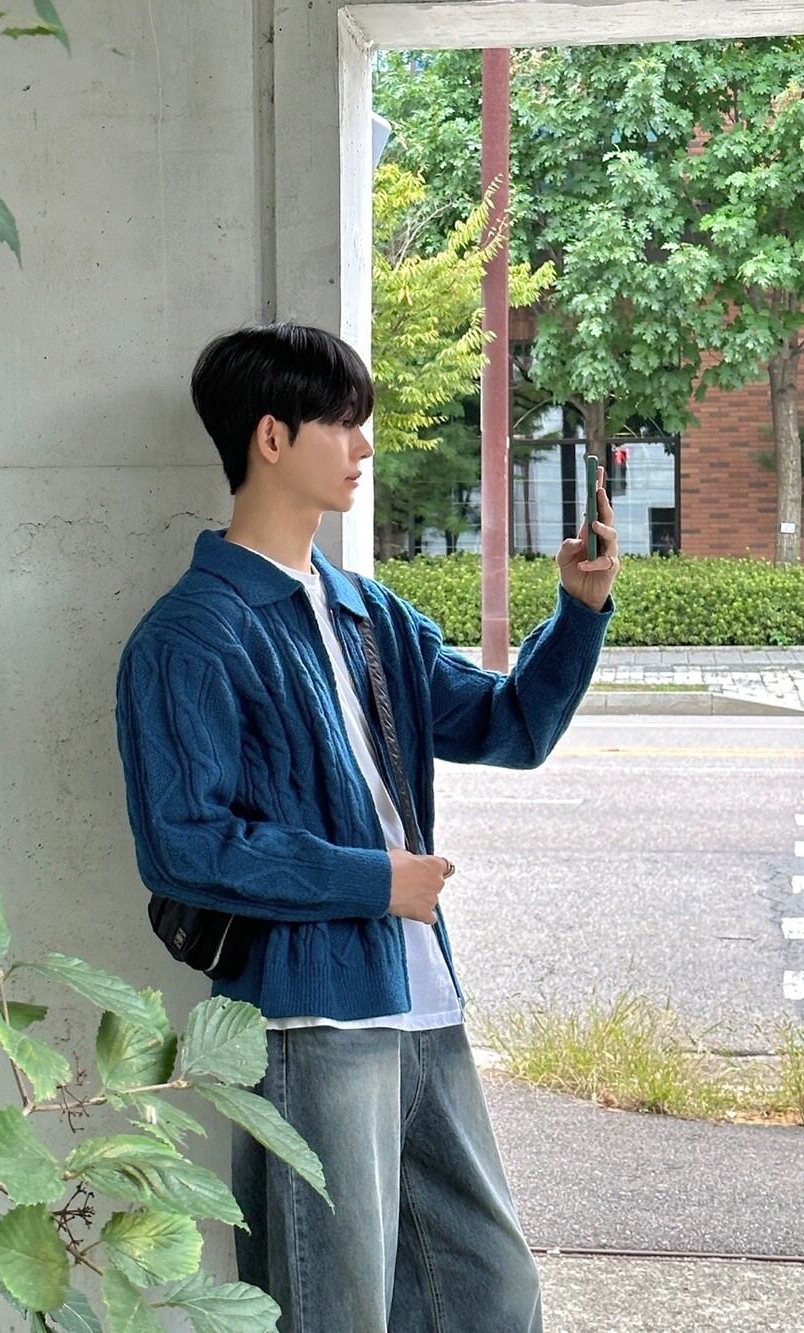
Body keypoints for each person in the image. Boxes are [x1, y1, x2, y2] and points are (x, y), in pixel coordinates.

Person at [116, 322, 620, 1332]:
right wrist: (375, 880)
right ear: (271, 437)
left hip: (420, 997)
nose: (363, 445)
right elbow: (187, 843)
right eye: (342, 423)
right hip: (308, 1013)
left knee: (490, 1291)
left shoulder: (367, 613)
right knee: (333, 1305)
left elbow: (509, 726)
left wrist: (578, 611)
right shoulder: (191, 635)